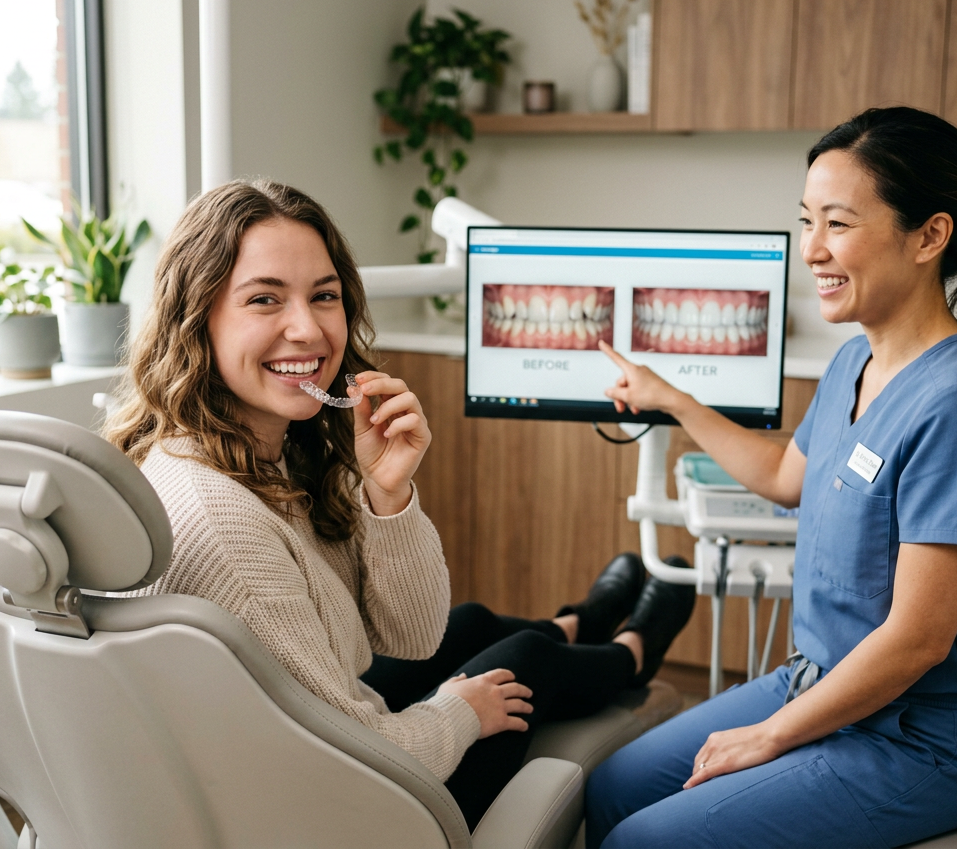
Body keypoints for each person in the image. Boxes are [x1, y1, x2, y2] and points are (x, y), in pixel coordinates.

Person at [105, 178, 696, 829]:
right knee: (523, 665)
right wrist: (458, 713)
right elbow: (350, 760)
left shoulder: (243, 454)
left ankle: (580, 622)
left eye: (324, 296)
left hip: (282, 759)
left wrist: (388, 496)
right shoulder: (227, 527)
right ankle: (634, 651)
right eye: (264, 299)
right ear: (196, 317)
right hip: (346, 819)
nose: (307, 328)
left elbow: (412, 638)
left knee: (471, 623)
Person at [585, 106, 957, 848]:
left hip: (920, 736)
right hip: (819, 682)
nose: (812, 250)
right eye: (807, 222)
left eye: (838, 224)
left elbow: (918, 641)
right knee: (612, 787)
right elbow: (785, 474)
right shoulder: (857, 360)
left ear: (930, 236)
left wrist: (769, 736)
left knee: (646, 840)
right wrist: (671, 399)